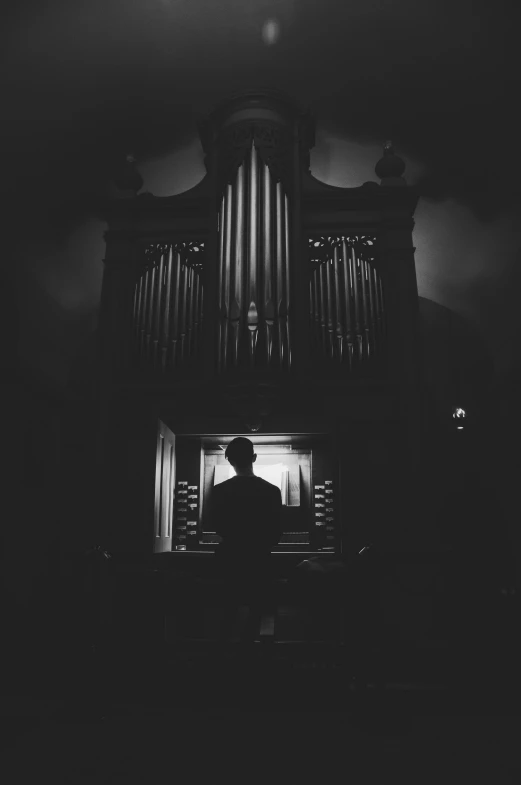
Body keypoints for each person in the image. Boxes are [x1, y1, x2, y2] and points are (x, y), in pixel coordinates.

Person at [210, 437, 283, 644]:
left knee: (227, 613)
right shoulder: (272, 491)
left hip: (228, 561)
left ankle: (223, 656)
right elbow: (276, 534)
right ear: (254, 457)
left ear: (229, 461)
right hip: (259, 561)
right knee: (256, 612)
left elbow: (216, 527)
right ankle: (251, 657)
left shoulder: (219, 491)